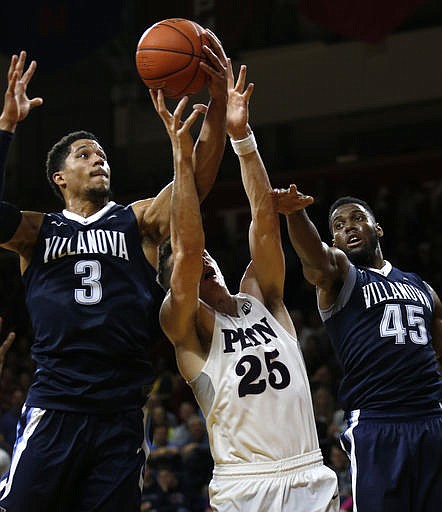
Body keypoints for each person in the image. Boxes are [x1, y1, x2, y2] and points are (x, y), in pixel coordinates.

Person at [0, 35, 227, 512]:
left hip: (120, 413)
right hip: (56, 405)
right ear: (59, 178)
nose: (97, 157)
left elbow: (196, 186)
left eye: (101, 152)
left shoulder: (137, 221)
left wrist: (220, 97)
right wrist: (6, 126)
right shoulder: (36, 230)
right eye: (83, 154)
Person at [154, 61, 339, 511]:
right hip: (245, 485)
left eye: (207, 258)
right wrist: (182, 159)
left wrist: (242, 137)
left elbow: (264, 220)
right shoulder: (186, 326)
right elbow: (189, 244)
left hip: (310, 473)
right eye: (191, 265)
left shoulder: (262, 297)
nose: (204, 262)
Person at [273, 186, 442, 511]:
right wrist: (295, 214)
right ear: (334, 241)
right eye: (338, 225)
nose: (348, 226)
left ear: (376, 228)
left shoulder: (422, 287)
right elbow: (315, 259)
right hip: (378, 422)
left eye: (356, 219)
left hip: (431, 419)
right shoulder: (340, 276)